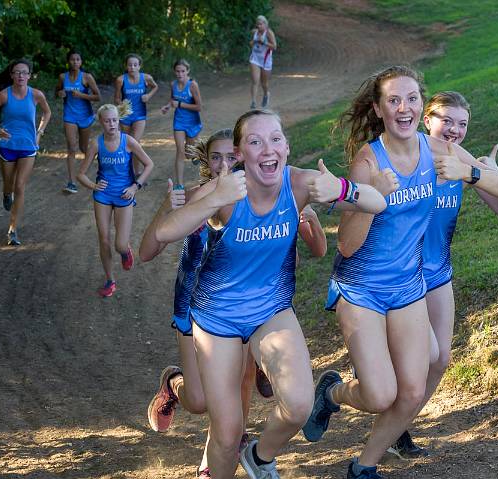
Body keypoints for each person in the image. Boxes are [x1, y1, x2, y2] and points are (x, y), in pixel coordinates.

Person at [300, 66, 498, 479]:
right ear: (380, 109)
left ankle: (362, 468)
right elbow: (346, 244)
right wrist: (372, 198)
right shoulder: (368, 161)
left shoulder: (438, 150)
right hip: (361, 287)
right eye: (394, 100)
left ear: (422, 104)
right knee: (382, 394)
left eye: (412, 98)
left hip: (409, 288)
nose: (405, 108)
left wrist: (471, 172)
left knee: (414, 389)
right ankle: (331, 392)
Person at [153, 109, 387, 479]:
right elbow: (165, 232)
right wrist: (212, 200)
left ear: (287, 146)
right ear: (241, 154)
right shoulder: (227, 190)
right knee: (227, 433)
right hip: (217, 319)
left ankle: (259, 457)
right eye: (255, 141)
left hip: (271, 309)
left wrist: (342, 189)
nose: (267, 149)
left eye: (275, 139)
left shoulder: (300, 184)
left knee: (298, 404)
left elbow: (377, 202)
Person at [140, 127, 327, 478]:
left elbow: (299, 251)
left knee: (237, 387)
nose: (225, 163)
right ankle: (174, 383)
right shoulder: (198, 196)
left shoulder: (263, 196)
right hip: (196, 309)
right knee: (199, 402)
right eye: (216, 157)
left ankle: (217, 458)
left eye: (231, 156)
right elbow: (148, 250)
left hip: (252, 308)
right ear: (207, 162)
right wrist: (168, 206)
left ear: (242, 157)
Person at [386, 91, 498, 459]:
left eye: (462, 124)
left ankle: (398, 428)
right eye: (446, 120)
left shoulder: (460, 161)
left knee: (440, 359)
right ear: (426, 119)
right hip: (400, 276)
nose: (454, 130)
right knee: (404, 366)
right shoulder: (409, 155)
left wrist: (491, 174)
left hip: (438, 272)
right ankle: (356, 402)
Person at [77, 102, 153, 297]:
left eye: (114, 120)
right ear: (101, 122)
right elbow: (81, 174)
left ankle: (124, 251)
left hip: (124, 195)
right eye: (107, 121)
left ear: (118, 120)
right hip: (102, 195)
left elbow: (149, 164)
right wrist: (93, 186)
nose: (111, 124)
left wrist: (135, 186)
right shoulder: (96, 143)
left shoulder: (128, 141)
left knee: (119, 244)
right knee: (103, 239)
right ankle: (110, 280)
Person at [0, 58, 52, 246]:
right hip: (7, 147)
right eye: (17, 72)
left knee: (20, 186)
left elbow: (47, 113)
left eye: (24, 72)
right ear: (12, 75)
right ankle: (6, 194)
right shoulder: (4, 96)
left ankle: (13, 229)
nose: (21, 76)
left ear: (29, 75)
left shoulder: (36, 95)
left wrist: (40, 132)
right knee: (9, 185)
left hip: (28, 147)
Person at [56, 50, 101, 194]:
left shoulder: (87, 77)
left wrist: (82, 95)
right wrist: (59, 93)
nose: (75, 62)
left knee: (83, 148)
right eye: (72, 59)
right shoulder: (63, 77)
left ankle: (100, 167)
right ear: (68, 62)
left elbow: (97, 96)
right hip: (69, 115)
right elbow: (57, 91)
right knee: (71, 147)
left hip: (85, 116)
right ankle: (72, 182)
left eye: (78, 59)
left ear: (81, 62)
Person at [161, 59, 203, 186]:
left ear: (188, 71)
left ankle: (195, 154)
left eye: (183, 71)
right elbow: (173, 98)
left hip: (193, 122)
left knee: (189, 153)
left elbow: (199, 107)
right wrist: (168, 106)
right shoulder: (173, 84)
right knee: (180, 151)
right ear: (174, 71)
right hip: (179, 122)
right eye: (178, 71)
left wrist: (180, 104)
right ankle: (179, 184)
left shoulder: (192, 85)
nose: (180, 74)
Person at [114, 53, 159, 143]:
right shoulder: (120, 80)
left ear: (139, 66)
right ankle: (128, 157)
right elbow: (116, 98)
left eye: (135, 65)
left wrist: (148, 96)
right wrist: (122, 105)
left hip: (140, 114)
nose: (132, 67)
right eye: (130, 65)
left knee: (135, 142)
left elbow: (155, 87)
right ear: (126, 66)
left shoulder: (146, 78)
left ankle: (135, 156)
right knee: (125, 142)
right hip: (125, 115)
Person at [248, 15, 277, 109]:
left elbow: (274, 47)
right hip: (255, 58)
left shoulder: (269, 33)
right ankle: (253, 102)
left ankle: (266, 94)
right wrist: (254, 41)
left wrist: (264, 42)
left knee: (264, 83)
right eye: (257, 24)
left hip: (265, 60)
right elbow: (251, 44)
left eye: (260, 24)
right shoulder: (254, 32)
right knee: (255, 81)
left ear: (265, 24)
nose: (259, 26)